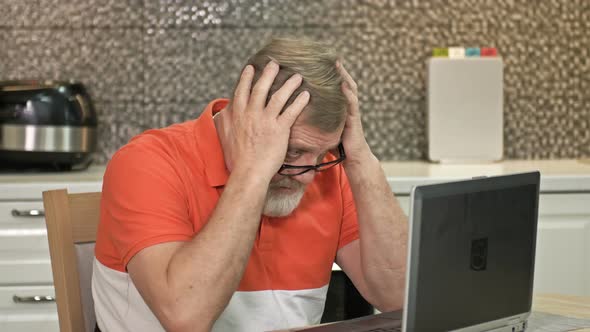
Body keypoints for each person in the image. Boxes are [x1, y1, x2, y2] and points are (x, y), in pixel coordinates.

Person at [92, 37, 408, 332]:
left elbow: (399, 298)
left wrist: (360, 160)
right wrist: (255, 170)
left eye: (321, 152)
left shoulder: (323, 168)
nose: (306, 174)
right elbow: (185, 316)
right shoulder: (146, 163)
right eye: (291, 151)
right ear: (242, 115)